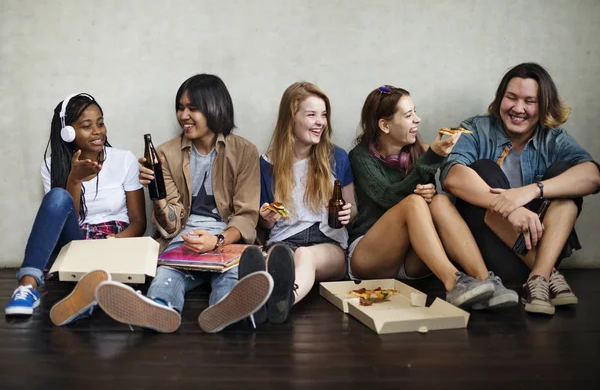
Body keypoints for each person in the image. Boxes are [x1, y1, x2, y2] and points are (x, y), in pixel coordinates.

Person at [95, 74, 273, 333]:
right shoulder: (165, 154)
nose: (183, 115)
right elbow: (171, 223)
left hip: (228, 241)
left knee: (232, 277)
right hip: (183, 239)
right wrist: (157, 195)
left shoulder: (244, 151)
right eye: (180, 107)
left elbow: (246, 215)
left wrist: (217, 241)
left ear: (215, 107)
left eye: (193, 108)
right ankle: (158, 309)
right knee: (166, 275)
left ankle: (225, 311)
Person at [440, 62, 600, 315]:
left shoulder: (554, 138)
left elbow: (593, 176)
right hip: (490, 257)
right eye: (511, 98)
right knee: (483, 169)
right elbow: (452, 177)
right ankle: (548, 275)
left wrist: (531, 191)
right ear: (500, 99)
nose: (518, 108)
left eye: (530, 101)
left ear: (544, 105)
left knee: (564, 177)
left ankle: (538, 277)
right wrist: (509, 208)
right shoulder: (476, 128)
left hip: (541, 246)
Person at [348, 85, 518, 310]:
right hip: (371, 255)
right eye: (408, 116)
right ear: (384, 125)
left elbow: (427, 207)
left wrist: (430, 192)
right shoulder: (361, 156)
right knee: (413, 202)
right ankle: (453, 282)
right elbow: (388, 197)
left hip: (414, 257)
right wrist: (431, 160)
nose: (417, 120)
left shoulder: (421, 151)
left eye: (415, 112)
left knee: (440, 201)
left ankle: (483, 278)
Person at [5, 93, 146, 325]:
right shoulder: (52, 165)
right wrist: (75, 180)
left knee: (106, 274)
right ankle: (27, 287)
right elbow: (70, 217)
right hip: (76, 242)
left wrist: (116, 241)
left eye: (100, 123)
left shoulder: (124, 160)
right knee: (58, 196)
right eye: (87, 126)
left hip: (116, 241)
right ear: (68, 132)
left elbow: (139, 223)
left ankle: (87, 298)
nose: (98, 131)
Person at [241, 81, 356, 325]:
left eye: (323, 115)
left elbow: (352, 209)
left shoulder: (337, 157)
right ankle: (255, 301)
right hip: (283, 240)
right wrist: (266, 217)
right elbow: (265, 224)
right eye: (311, 114)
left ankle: (284, 300)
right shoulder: (266, 164)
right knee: (266, 258)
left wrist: (347, 213)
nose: (320, 122)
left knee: (305, 255)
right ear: (291, 118)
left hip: (327, 243)